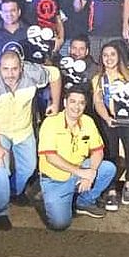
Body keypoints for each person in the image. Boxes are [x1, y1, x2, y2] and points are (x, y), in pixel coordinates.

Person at [0, 50, 62, 230]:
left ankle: (14, 191)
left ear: (21, 67)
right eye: (6, 69)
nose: (10, 74)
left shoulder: (33, 72)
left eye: (14, 69)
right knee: (0, 169)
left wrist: (55, 102)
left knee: (29, 167)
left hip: (23, 129)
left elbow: (55, 74)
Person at [38, 87, 117, 228]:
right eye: (73, 101)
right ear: (65, 102)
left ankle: (84, 203)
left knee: (108, 168)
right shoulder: (50, 122)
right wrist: (82, 173)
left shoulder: (88, 121)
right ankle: (50, 196)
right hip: (56, 179)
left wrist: (90, 173)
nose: (77, 107)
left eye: (81, 103)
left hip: (79, 171)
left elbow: (98, 151)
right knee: (60, 224)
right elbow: (50, 157)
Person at [92, 41, 129, 208]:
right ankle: (111, 190)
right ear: (101, 58)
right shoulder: (98, 78)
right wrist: (107, 118)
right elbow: (98, 102)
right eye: (105, 55)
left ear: (119, 56)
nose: (109, 58)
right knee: (110, 154)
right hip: (109, 120)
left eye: (112, 54)